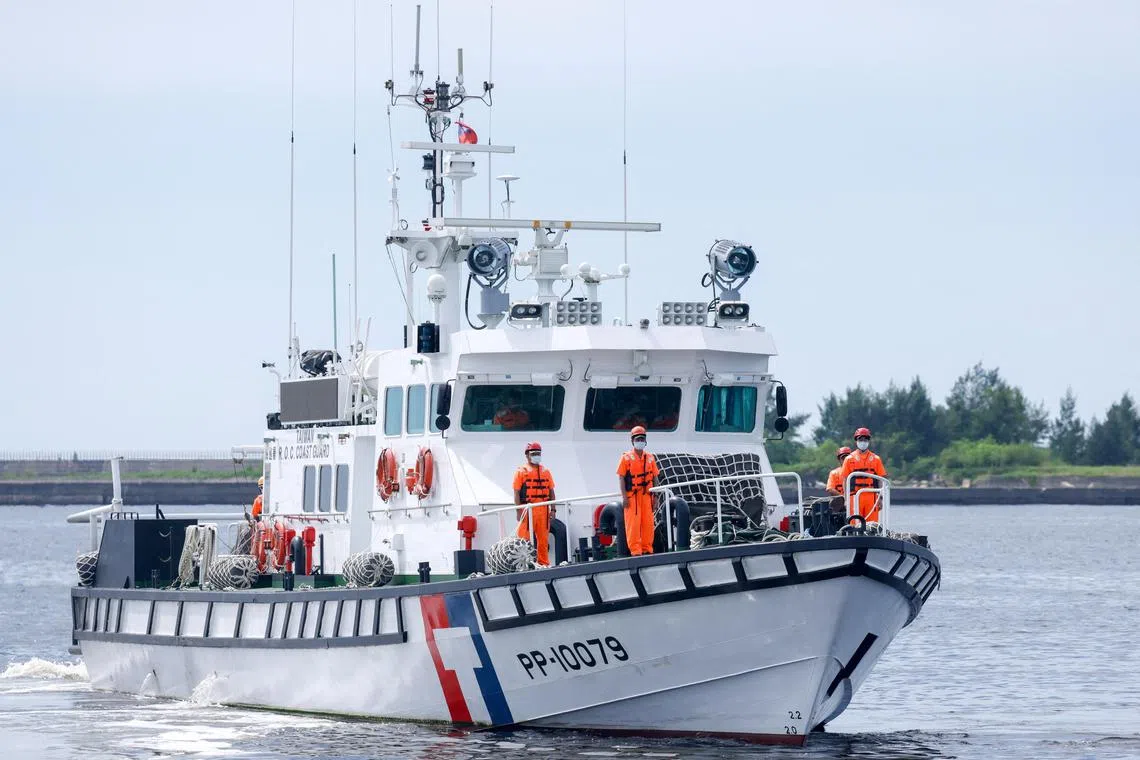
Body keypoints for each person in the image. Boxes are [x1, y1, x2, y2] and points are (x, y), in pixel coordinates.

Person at [616, 426, 660, 556]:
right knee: (633, 525)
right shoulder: (626, 458)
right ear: (632, 441)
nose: (640, 441)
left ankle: (647, 549)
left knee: (648, 523)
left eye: (642, 438)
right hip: (631, 497)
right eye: (637, 438)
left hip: (647, 496)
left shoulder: (650, 457)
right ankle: (636, 551)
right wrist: (624, 498)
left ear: (645, 441)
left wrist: (656, 496)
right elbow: (621, 478)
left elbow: (655, 477)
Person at [513, 442, 556, 566]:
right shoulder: (521, 472)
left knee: (543, 539)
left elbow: (551, 491)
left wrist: (553, 510)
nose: (536, 456)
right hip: (527, 509)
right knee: (523, 539)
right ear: (527, 455)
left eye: (538, 453)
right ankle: (524, 564)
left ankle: (543, 563)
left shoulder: (546, 472)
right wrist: (518, 510)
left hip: (543, 509)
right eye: (533, 454)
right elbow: (516, 492)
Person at [840, 428, 887, 523]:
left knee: (872, 525)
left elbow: (880, 479)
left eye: (865, 439)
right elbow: (845, 480)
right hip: (854, 496)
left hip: (872, 496)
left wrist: (880, 497)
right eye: (860, 439)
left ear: (868, 441)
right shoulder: (849, 459)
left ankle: (871, 537)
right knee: (855, 523)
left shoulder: (876, 459)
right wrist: (846, 499)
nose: (863, 442)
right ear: (856, 441)